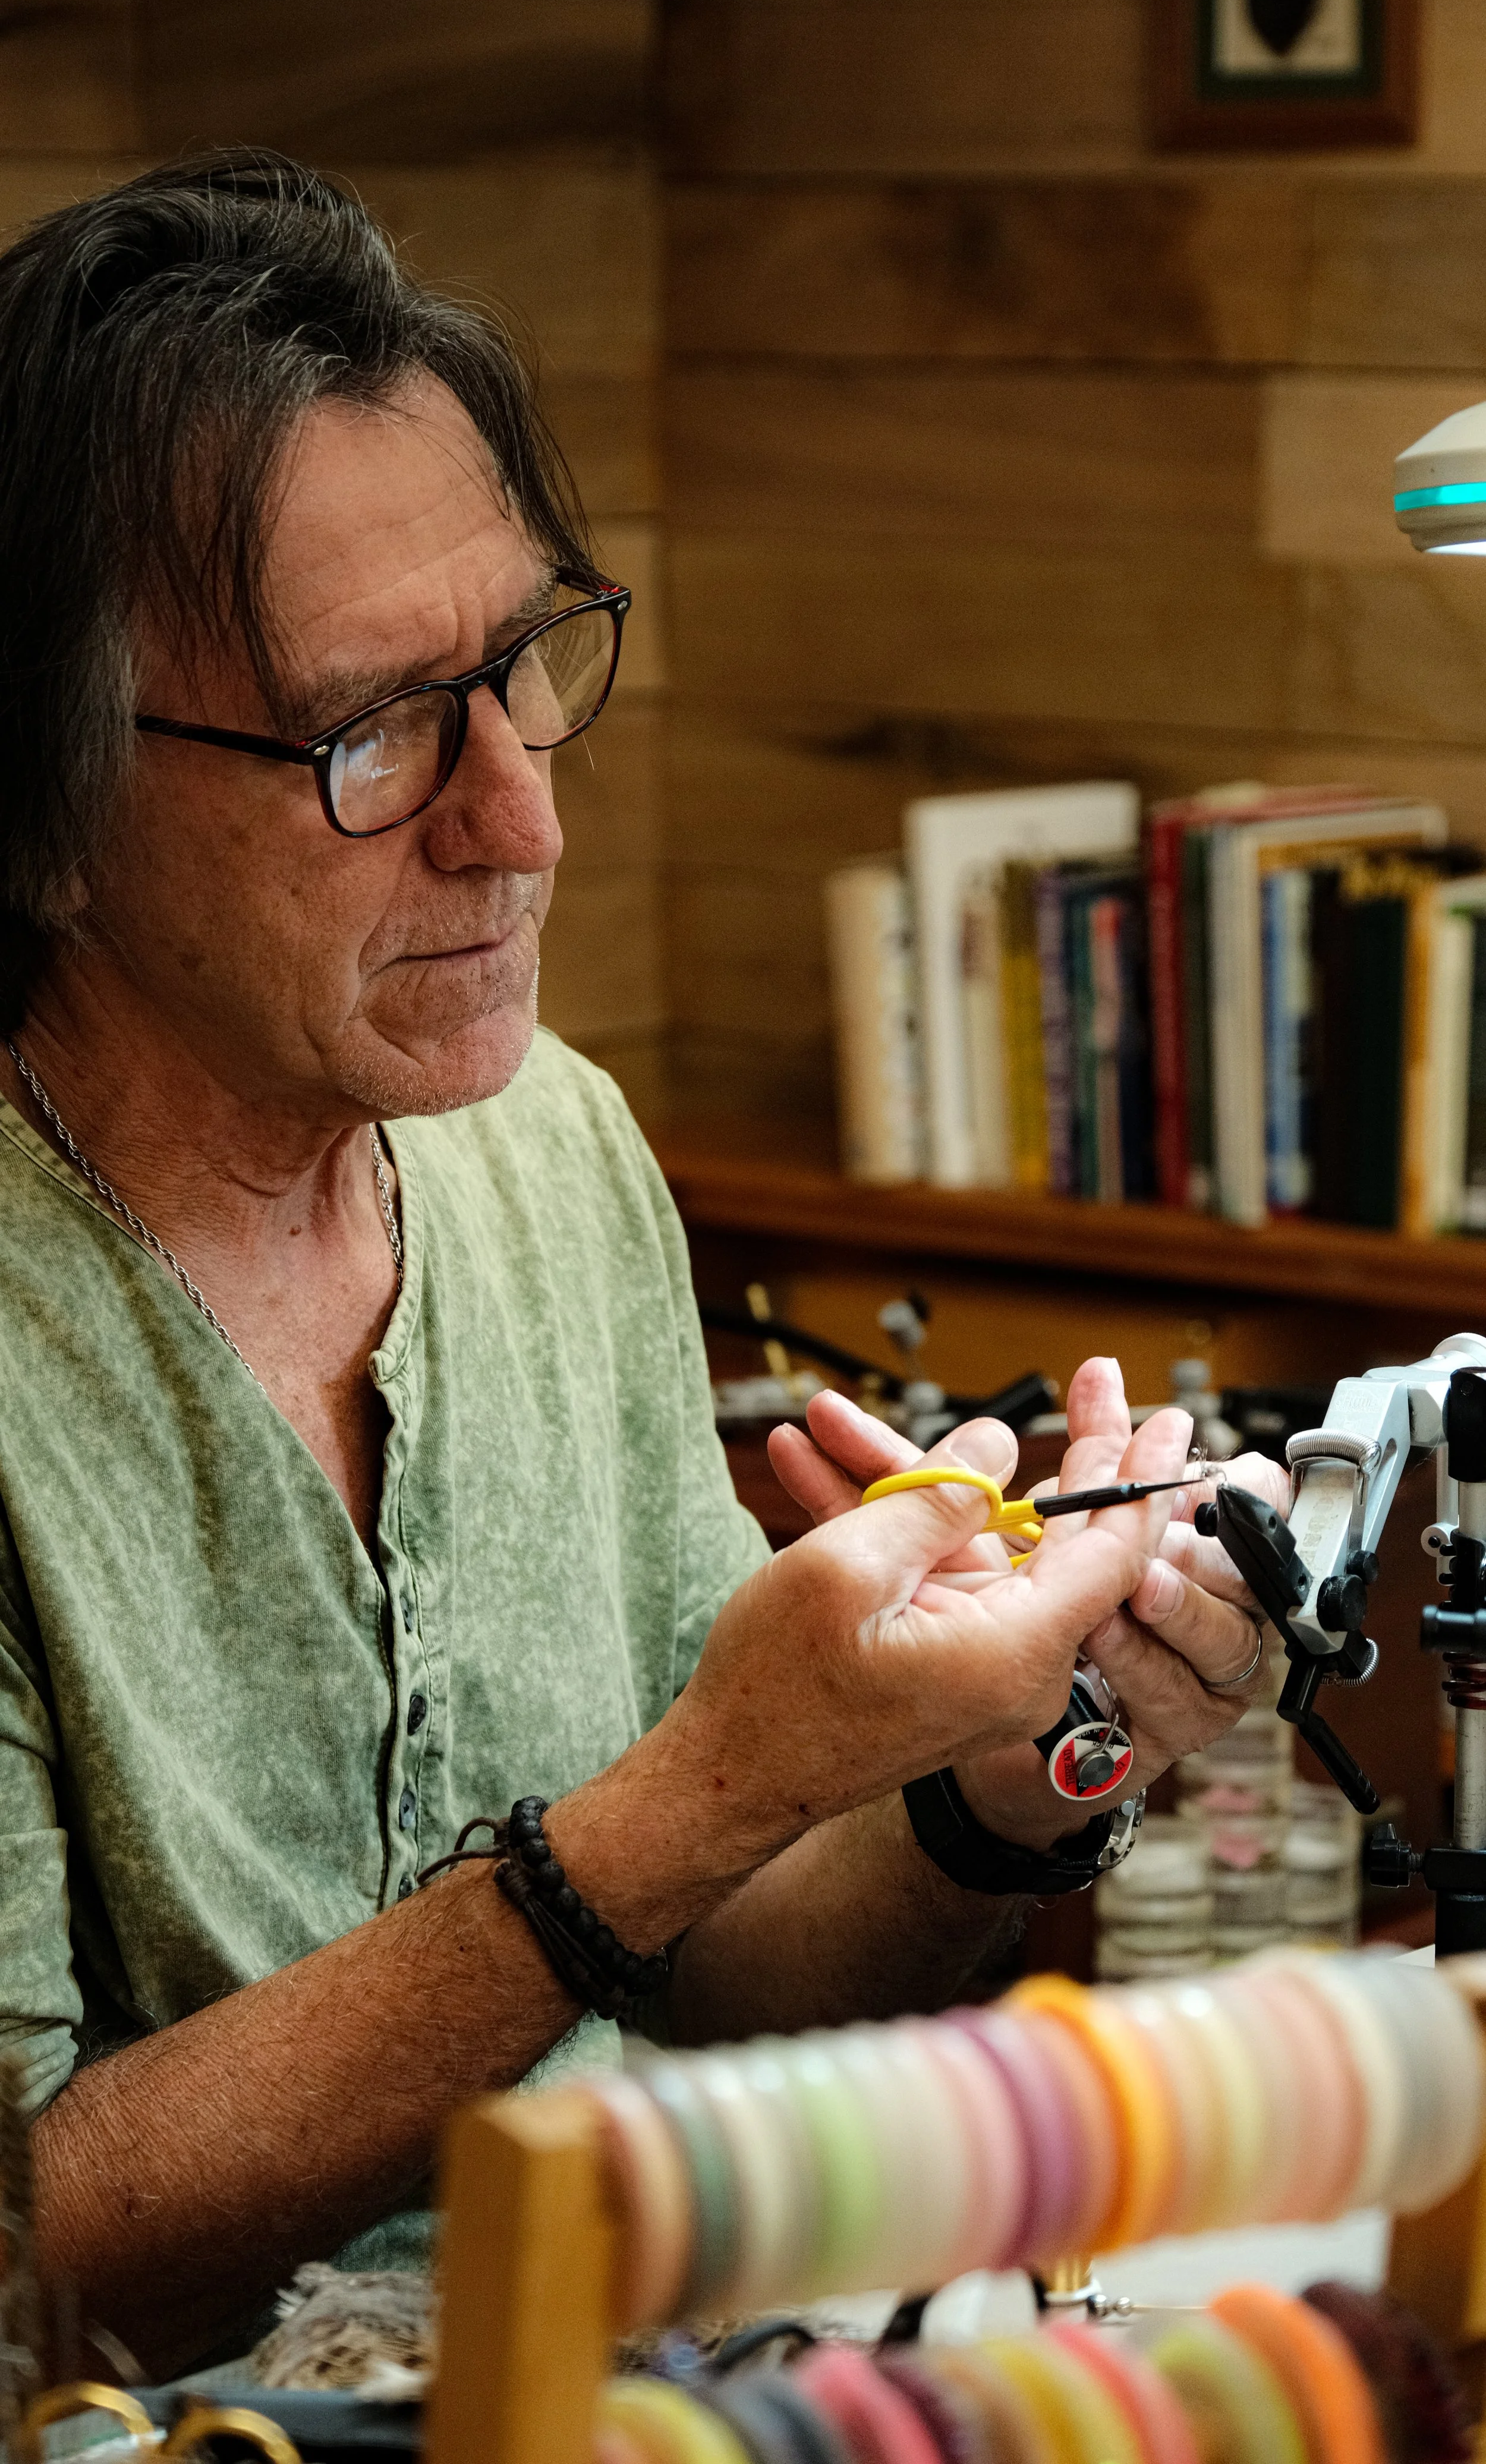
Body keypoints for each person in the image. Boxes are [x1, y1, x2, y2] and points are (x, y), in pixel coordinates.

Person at [0, 153, 1273, 2375]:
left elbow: (713, 1971)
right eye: (372, 733)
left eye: (524, 669)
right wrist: (682, 1796)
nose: (521, 818)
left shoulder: (545, 1144)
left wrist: (989, 1777)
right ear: (38, 804)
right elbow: (20, 2270)